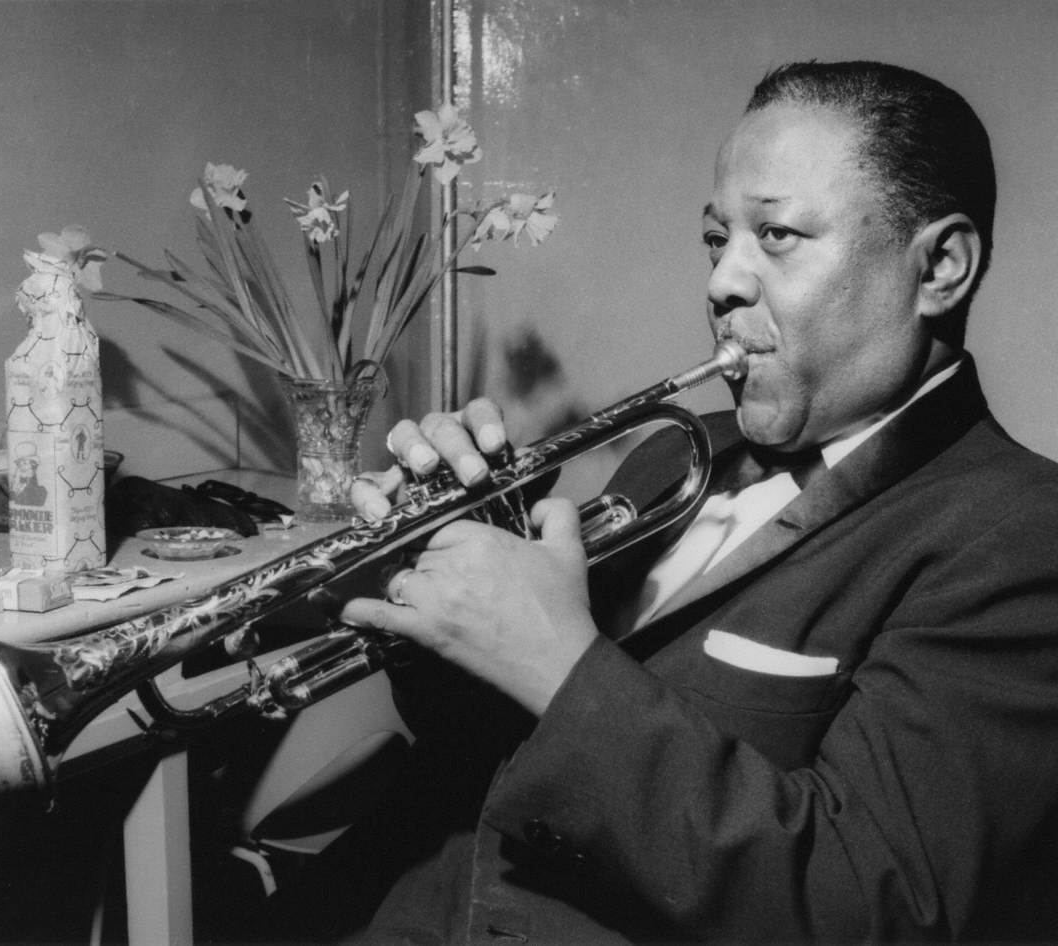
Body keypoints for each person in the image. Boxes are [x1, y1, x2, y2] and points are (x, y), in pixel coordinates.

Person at [261, 61, 1058, 943]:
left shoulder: (1018, 535)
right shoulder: (678, 455)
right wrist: (440, 604)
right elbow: (499, 758)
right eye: (718, 240)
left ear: (940, 267)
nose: (722, 282)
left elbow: (870, 904)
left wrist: (555, 660)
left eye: (778, 235)